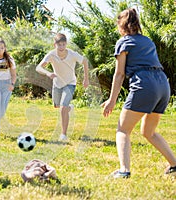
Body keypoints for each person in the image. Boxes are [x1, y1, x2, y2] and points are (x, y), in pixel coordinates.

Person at [101, 8, 176, 178]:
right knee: (148, 132)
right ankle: (175, 165)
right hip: (163, 84)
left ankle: (124, 170)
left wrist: (112, 100)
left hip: (145, 84)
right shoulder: (148, 41)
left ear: (121, 25)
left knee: (123, 130)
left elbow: (119, 74)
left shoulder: (123, 42)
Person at [36, 33, 89, 141]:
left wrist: (86, 78)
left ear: (66, 44)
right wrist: (47, 73)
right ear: (54, 45)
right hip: (57, 84)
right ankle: (70, 108)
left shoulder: (72, 54)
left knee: (63, 108)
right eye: (59, 45)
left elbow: (85, 61)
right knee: (58, 106)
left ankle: (63, 135)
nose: (61, 47)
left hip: (70, 83)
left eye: (63, 44)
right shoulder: (51, 55)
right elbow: (39, 67)